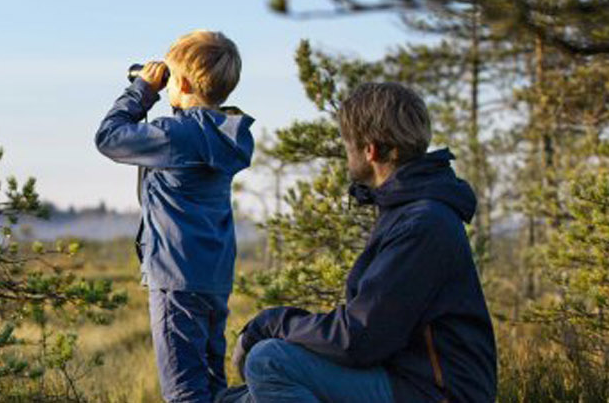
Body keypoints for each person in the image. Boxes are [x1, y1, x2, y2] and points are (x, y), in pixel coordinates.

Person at [231, 82, 497, 403]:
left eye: (347, 145)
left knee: (269, 361)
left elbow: (360, 337)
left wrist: (270, 324)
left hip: (436, 392)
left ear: (369, 150)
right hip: (404, 377)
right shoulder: (407, 210)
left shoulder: (422, 223)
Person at [95, 29, 253, 403]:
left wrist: (142, 91)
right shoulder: (226, 135)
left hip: (175, 277)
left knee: (184, 393)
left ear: (180, 83)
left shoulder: (173, 136)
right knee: (213, 389)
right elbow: (193, 127)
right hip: (214, 278)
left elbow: (109, 137)